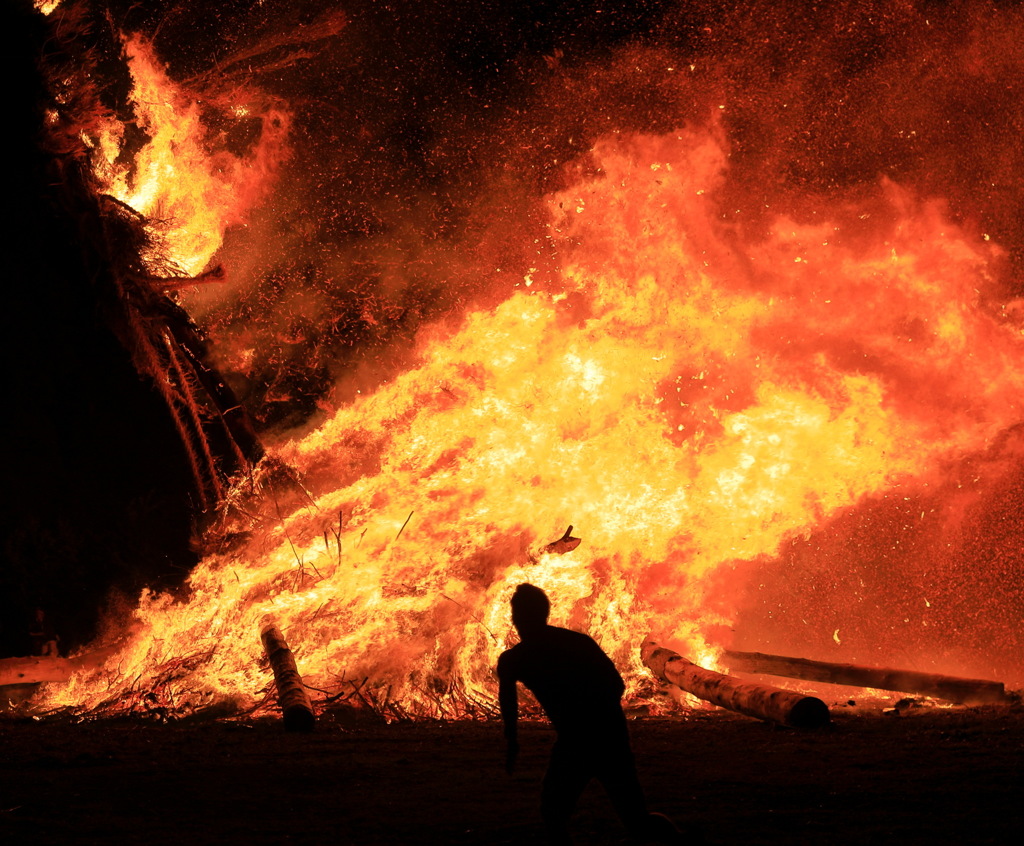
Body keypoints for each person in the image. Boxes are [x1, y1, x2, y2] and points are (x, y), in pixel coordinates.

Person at [497, 583, 691, 844]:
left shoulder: (516, 658)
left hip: (585, 739)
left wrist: (512, 741)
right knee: (630, 816)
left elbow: (508, 699)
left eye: (518, 612)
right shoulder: (575, 643)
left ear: (516, 617)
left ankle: (677, 841)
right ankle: (677, 840)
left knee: (556, 811)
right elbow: (615, 685)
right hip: (606, 735)